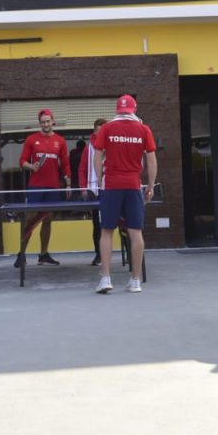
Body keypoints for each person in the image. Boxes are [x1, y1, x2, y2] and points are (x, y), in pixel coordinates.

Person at [93, 95, 157, 294]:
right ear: (134, 109)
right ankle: (135, 280)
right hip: (133, 185)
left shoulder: (106, 128)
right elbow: (152, 160)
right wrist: (150, 186)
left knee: (106, 231)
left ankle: (105, 278)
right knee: (135, 232)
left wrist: (100, 182)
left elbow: (97, 157)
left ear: (117, 109)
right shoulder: (143, 129)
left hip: (111, 185)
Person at [15, 108, 71, 268]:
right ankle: (21, 254)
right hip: (36, 187)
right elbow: (22, 161)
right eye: (43, 122)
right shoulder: (32, 139)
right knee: (30, 220)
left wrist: (68, 184)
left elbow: (65, 164)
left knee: (48, 220)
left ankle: (43, 255)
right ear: (39, 124)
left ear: (53, 121)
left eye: (48, 121)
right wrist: (32, 166)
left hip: (53, 187)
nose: (46, 124)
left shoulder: (60, 141)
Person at [78, 118, 108, 266]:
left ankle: (129, 254)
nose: (101, 134)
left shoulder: (113, 145)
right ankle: (98, 255)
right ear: (94, 131)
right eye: (98, 131)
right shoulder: (88, 148)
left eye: (104, 131)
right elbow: (82, 169)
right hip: (93, 191)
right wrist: (83, 188)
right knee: (97, 224)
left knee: (121, 221)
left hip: (111, 189)